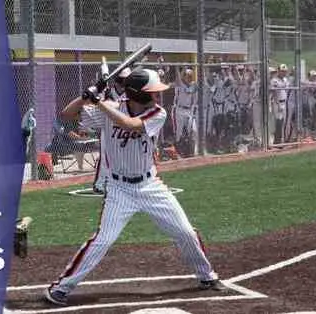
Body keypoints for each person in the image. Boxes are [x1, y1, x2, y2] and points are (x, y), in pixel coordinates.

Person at [44, 68, 225, 307]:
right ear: (137, 94)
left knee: (185, 231)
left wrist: (100, 102)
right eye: (152, 92)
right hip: (119, 189)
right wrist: (86, 96)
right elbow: (67, 114)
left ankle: (206, 276)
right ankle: (60, 289)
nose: (157, 96)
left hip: (150, 185)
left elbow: (130, 124)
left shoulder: (156, 113)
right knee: (103, 240)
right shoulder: (109, 108)